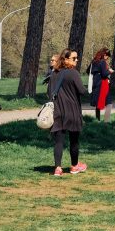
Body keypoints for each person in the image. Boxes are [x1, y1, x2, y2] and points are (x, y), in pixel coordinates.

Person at [48, 48, 86, 177]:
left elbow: (49, 92)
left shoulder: (54, 74)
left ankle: (57, 168)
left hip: (58, 110)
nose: (76, 60)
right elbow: (82, 91)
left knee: (58, 141)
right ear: (65, 59)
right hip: (72, 111)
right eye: (74, 58)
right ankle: (74, 166)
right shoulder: (73, 73)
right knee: (74, 141)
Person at [89, 48, 112, 121]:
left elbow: (88, 70)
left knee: (98, 102)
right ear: (105, 55)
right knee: (109, 102)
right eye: (108, 56)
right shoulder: (102, 62)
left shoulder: (94, 61)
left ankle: (97, 119)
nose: (108, 57)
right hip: (102, 83)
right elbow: (104, 74)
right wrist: (110, 71)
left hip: (95, 82)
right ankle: (106, 120)